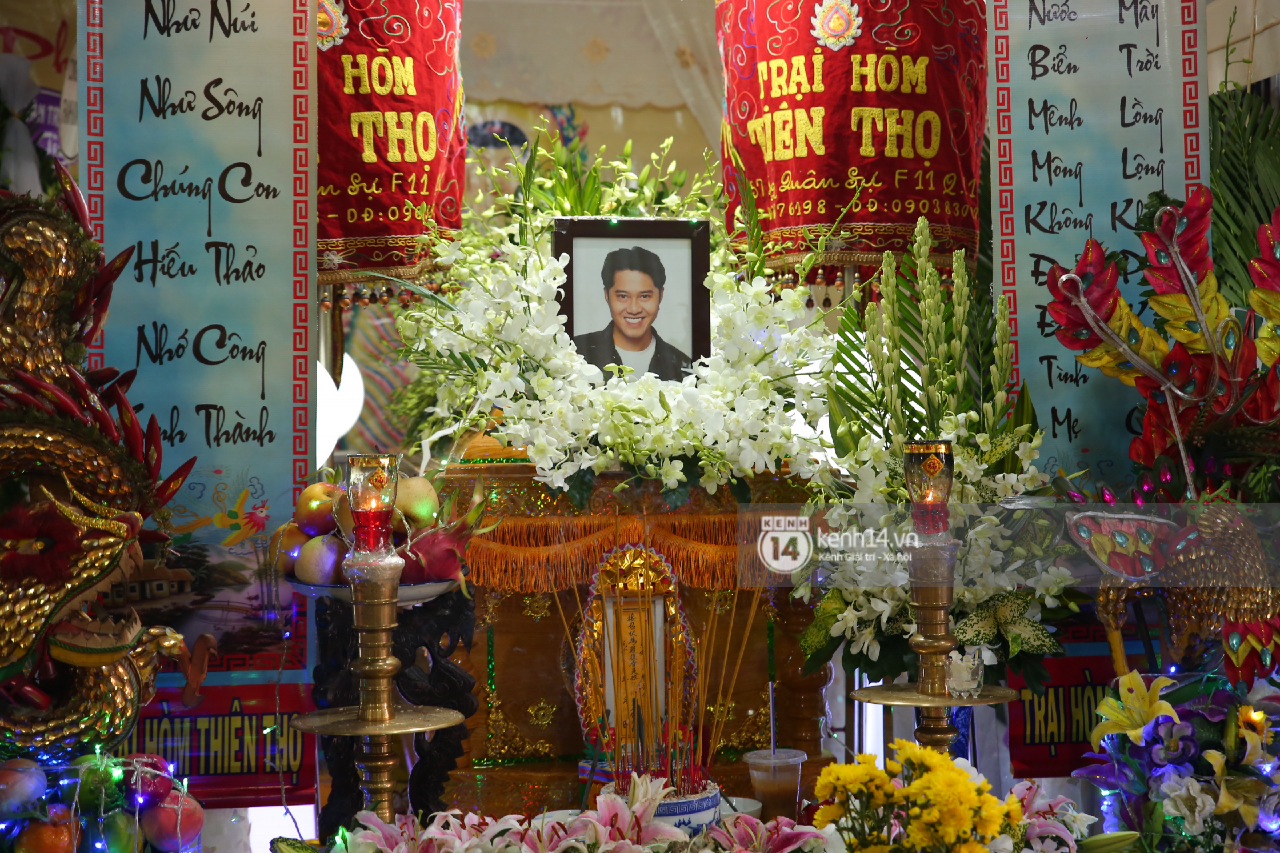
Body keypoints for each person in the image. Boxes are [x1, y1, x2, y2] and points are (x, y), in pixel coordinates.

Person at [573, 246, 691, 382]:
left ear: (661, 295)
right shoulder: (575, 354)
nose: (634, 309)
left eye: (645, 296)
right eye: (623, 296)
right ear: (607, 295)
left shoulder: (684, 367)